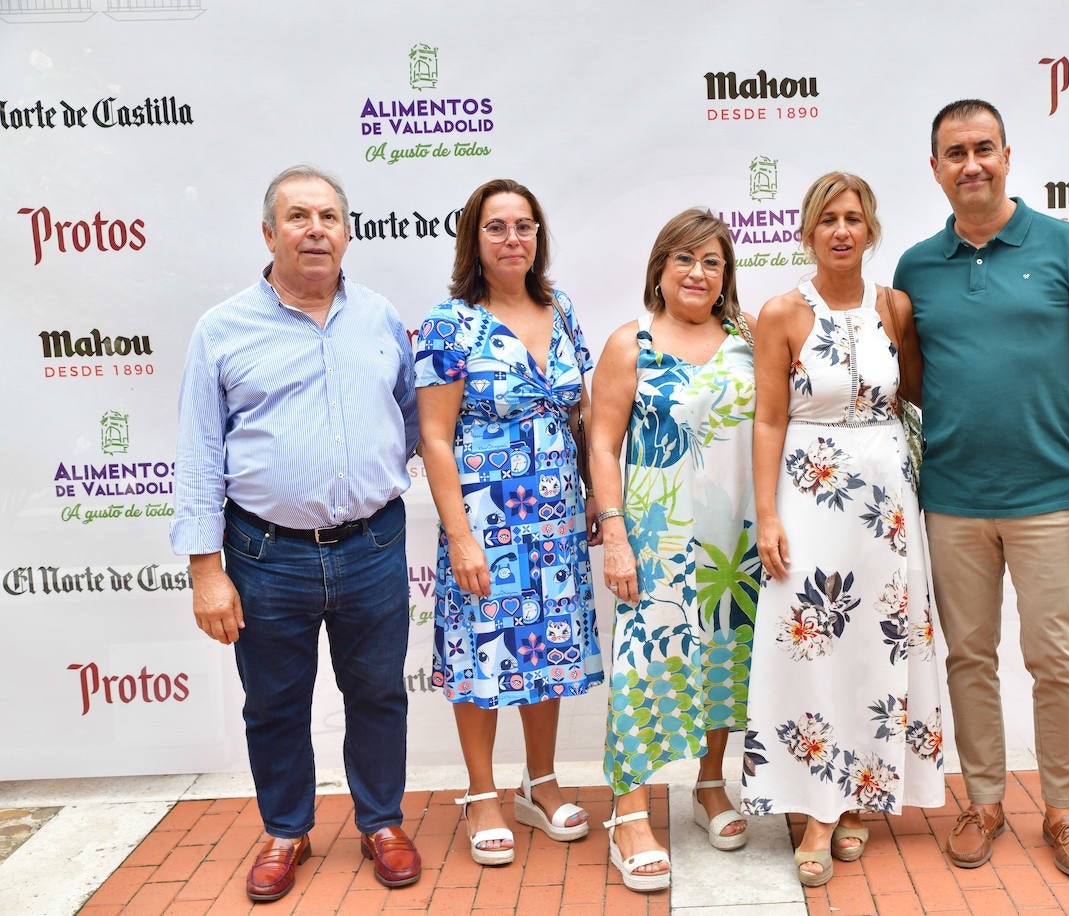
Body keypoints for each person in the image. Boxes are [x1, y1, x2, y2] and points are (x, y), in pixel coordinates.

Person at [171, 164, 421, 902]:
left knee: (378, 692)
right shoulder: (221, 330)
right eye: (298, 217)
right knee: (274, 702)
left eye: (329, 217)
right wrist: (205, 570)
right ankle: (287, 829)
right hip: (264, 554)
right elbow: (199, 454)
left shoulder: (378, 318)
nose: (315, 229)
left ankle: (381, 821)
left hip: (373, 545)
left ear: (348, 232)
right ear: (269, 232)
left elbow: (408, 421)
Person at [892, 99, 1069, 880]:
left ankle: (1064, 809)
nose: (971, 165)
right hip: (951, 502)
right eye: (954, 153)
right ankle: (983, 801)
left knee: (1056, 658)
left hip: (1052, 501)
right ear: (935, 169)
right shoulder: (916, 268)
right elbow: (912, 385)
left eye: (983, 148)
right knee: (968, 658)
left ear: (1007, 154)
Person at [742, 172, 945, 888]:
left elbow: (915, 392)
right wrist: (767, 513)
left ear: (871, 229)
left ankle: (863, 793)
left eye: (853, 218)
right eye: (827, 218)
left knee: (873, 645)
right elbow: (769, 419)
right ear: (807, 230)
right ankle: (819, 806)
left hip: (887, 503)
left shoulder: (896, 307)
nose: (841, 231)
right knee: (813, 646)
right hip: (810, 494)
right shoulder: (781, 313)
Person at [414, 178, 603, 867]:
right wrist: (460, 534)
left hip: (553, 516)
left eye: (524, 226)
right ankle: (483, 793)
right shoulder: (448, 324)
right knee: (482, 649)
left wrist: (588, 489)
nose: (513, 238)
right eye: (497, 227)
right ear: (474, 238)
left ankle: (542, 784)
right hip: (486, 516)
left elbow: (579, 410)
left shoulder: (562, 309)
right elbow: (434, 437)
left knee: (548, 647)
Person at [588, 209, 760, 893]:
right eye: (684, 259)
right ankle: (628, 812)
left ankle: (709, 785)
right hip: (655, 539)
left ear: (726, 277)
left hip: (732, 541)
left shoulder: (748, 340)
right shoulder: (630, 344)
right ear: (659, 269)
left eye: (712, 262)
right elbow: (602, 443)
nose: (698, 272)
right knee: (643, 666)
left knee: (725, 658)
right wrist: (615, 534)